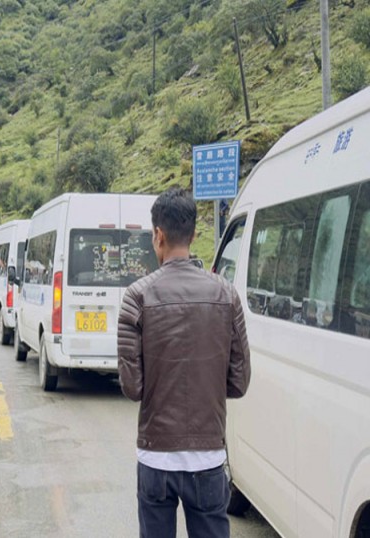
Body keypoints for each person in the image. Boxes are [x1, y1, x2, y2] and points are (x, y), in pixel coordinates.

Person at [117, 188, 251, 538]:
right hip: (208, 457)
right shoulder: (226, 294)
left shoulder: (136, 297)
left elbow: (132, 388)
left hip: (155, 457)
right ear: (193, 235)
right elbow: (239, 382)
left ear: (158, 235)